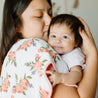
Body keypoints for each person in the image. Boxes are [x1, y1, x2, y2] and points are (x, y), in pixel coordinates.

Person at [0, 0, 97, 98]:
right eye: (39, 16)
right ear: (17, 25)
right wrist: (92, 54)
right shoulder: (33, 46)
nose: (50, 21)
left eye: (50, 14)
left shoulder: (14, 53)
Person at [47, 14, 85, 87]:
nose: (57, 41)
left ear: (76, 42)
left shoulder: (73, 54)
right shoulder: (51, 50)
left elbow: (77, 74)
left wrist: (61, 77)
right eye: (53, 36)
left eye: (65, 37)